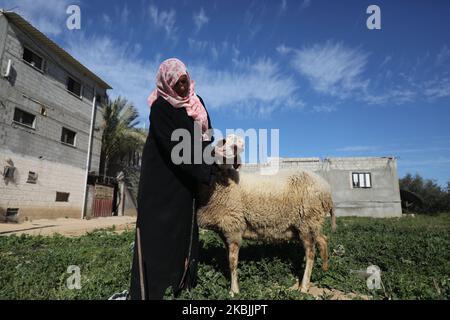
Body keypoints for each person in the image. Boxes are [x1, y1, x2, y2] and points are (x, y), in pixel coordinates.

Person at [129, 58, 215, 300]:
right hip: (161, 182)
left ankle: (183, 285)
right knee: (157, 234)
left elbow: (207, 138)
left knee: (184, 231)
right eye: (176, 84)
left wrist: (219, 155)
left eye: (184, 82)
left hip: (186, 182)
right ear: (166, 84)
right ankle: (152, 291)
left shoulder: (198, 106)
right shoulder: (161, 108)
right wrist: (209, 161)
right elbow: (175, 147)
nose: (182, 88)